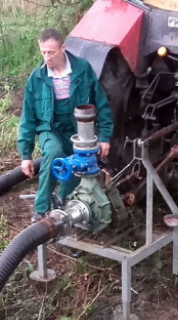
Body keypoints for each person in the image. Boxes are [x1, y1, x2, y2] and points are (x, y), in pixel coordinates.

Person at [18, 28, 113, 222]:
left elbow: (102, 104)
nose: (47, 57)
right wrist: (26, 155)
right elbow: (27, 118)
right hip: (50, 129)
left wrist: (104, 137)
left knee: (78, 165)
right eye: (43, 52)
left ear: (63, 48)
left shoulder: (82, 70)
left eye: (51, 52)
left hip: (77, 130)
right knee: (54, 154)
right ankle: (41, 209)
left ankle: (63, 207)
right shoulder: (36, 79)